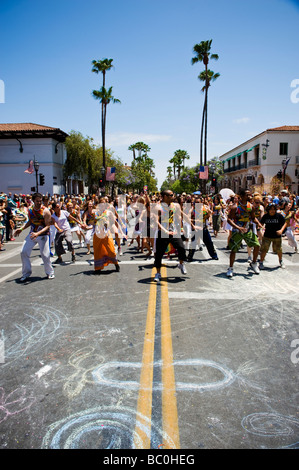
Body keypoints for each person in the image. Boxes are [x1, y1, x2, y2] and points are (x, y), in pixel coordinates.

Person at [14, 192, 55, 281]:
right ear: (33, 201)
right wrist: (21, 229)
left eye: (40, 201)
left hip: (43, 235)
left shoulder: (45, 211)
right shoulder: (30, 210)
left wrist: (38, 233)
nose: (39, 203)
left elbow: (48, 226)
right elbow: (30, 221)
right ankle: (26, 273)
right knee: (23, 252)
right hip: (32, 234)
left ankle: (50, 272)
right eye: (37, 201)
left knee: (45, 255)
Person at [152, 190, 187, 282]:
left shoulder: (175, 206)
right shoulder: (158, 207)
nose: (173, 196)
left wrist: (182, 228)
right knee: (159, 254)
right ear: (165, 196)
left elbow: (179, 217)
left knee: (181, 248)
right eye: (171, 195)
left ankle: (181, 264)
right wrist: (165, 231)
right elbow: (156, 222)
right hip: (163, 233)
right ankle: (158, 273)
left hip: (173, 232)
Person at [226, 189, 262, 277]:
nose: (249, 196)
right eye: (247, 195)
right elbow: (229, 219)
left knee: (257, 245)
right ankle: (230, 268)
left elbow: (253, 218)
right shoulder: (235, 207)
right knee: (234, 250)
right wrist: (238, 227)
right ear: (241, 196)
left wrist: (259, 223)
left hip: (247, 230)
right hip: (237, 231)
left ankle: (254, 263)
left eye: (250, 194)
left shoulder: (251, 207)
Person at [91, 198, 120, 273]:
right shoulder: (95, 212)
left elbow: (114, 221)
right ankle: (98, 267)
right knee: (97, 251)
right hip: (97, 233)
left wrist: (118, 227)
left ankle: (116, 263)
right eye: (101, 203)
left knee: (111, 249)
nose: (102, 204)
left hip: (106, 233)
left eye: (104, 203)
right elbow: (94, 220)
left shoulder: (109, 212)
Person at [259, 203, 287, 269]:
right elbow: (261, 224)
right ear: (268, 210)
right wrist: (261, 230)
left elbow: (285, 223)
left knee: (279, 249)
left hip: (277, 236)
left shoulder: (279, 216)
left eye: (274, 209)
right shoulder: (266, 216)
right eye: (271, 209)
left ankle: (281, 261)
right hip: (267, 236)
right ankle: (261, 262)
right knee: (264, 250)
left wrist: (281, 231)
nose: (272, 211)